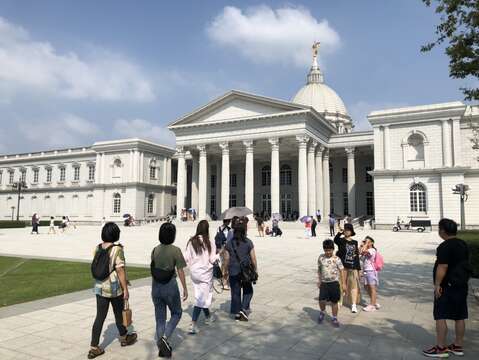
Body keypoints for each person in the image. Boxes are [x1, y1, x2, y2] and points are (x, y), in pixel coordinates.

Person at [88, 222, 137, 359]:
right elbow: (120, 270)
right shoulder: (117, 249)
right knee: (118, 313)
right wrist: (125, 289)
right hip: (114, 287)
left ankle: (94, 347)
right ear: (116, 234)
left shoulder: (97, 248)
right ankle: (123, 337)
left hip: (99, 287)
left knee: (100, 317)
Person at [423, 219, 471, 358]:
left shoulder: (445, 246)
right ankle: (457, 346)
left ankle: (440, 348)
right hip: (461, 285)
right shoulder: (462, 244)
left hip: (446, 286)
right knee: (460, 316)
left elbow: (443, 266)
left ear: (443, 230)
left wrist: (438, 285)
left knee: (441, 315)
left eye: (439, 228)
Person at [151, 222, 188, 358]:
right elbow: (180, 270)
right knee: (177, 313)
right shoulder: (175, 250)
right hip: (169, 286)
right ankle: (164, 338)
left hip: (156, 286)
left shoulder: (155, 250)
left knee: (160, 318)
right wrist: (185, 288)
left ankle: (162, 345)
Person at [184, 220, 219, 334]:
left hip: (194, 273)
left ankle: (208, 316)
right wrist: (220, 254)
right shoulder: (209, 242)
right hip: (205, 274)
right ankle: (193, 324)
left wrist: (192, 266)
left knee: (201, 295)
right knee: (200, 299)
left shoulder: (191, 241)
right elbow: (212, 259)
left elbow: (186, 257)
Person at [223, 218, 258, 321]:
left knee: (235, 291)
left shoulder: (229, 243)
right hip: (246, 270)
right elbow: (253, 258)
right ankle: (243, 308)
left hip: (233, 270)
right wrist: (255, 270)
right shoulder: (248, 242)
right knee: (248, 290)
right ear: (244, 231)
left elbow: (226, 259)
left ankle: (237, 312)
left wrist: (225, 272)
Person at [317, 239, 346, 327]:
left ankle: (334, 317)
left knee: (334, 301)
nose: (328, 252)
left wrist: (344, 283)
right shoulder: (321, 257)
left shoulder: (336, 259)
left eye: (330, 250)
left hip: (334, 283)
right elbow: (319, 269)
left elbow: (342, 270)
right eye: (326, 250)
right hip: (324, 283)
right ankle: (322, 312)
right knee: (321, 300)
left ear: (333, 249)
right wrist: (319, 280)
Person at [334, 223, 361, 313]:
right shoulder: (341, 241)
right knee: (341, 284)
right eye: (345, 230)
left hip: (352, 266)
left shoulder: (355, 242)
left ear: (351, 231)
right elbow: (335, 240)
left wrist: (358, 269)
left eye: (348, 230)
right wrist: (339, 233)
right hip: (343, 267)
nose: (347, 231)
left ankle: (353, 304)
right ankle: (339, 301)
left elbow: (356, 256)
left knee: (353, 286)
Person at [360, 236, 380, 312]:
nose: (366, 243)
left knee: (372, 288)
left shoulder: (372, 250)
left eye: (368, 241)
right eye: (365, 241)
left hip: (371, 271)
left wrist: (365, 245)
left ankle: (372, 305)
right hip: (365, 271)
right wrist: (361, 245)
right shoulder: (366, 249)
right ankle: (374, 302)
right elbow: (360, 253)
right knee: (365, 287)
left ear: (372, 243)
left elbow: (364, 252)